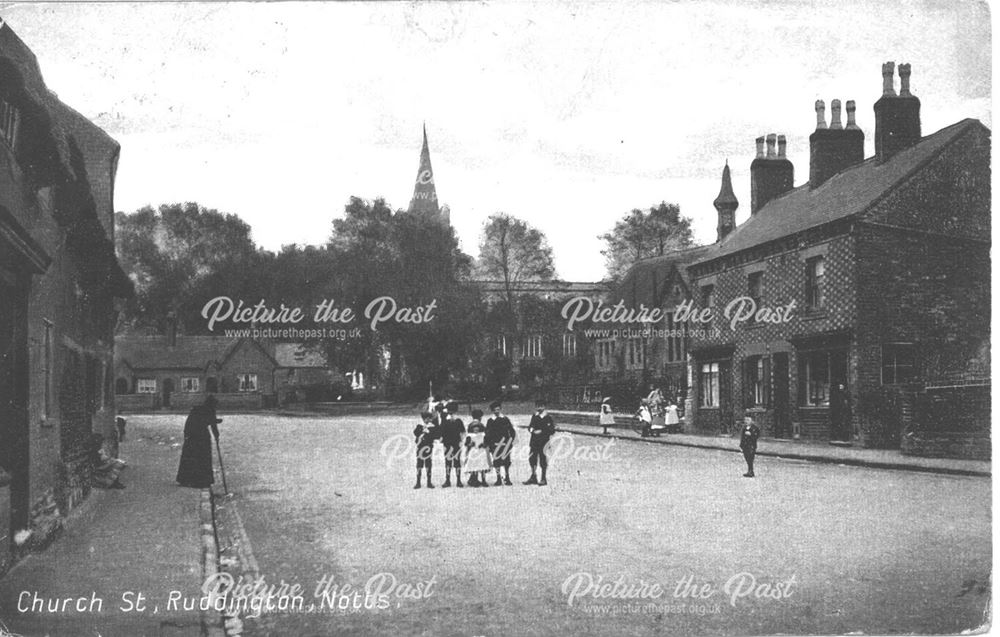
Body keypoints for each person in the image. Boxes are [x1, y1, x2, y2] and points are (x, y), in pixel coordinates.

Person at [176, 395, 222, 488]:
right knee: (203, 458)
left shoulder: (196, 409)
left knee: (190, 457)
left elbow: (189, 423)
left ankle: (186, 479)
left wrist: (186, 435)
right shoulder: (210, 410)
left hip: (192, 436)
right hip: (202, 436)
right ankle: (203, 480)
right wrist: (216, 436)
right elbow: (212, 424)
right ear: (212, 404)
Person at [524, 399, 555, 486]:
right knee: (532, 459)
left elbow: (552, 430)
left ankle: (543, 478)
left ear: (544, 407)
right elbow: (530, 426)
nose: (539, 408)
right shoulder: (535, 416)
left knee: (543, 460)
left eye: (541, 406)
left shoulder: (548, 417)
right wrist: (532, 430)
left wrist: (542, 431)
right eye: (538, 406)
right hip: (534, 441)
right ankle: (533, 476)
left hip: (544, 442)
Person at [485, 400, 516, 486]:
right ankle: (498, 478)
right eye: (495, 410)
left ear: (501, 409)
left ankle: (507, 477)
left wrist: (510, 441)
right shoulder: (490, 421)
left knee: (506, 461)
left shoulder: (505, 419)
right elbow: (488, 433)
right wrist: (489, 444)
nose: (497, 411)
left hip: (505, 444)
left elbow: (512, 431)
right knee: (496, 461)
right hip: (495, 444)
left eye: (498, 409)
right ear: (492, 411)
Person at [439, 401, 466, 488]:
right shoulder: (444, 420)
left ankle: (458, 480)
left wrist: (461, 441)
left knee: (457, 461)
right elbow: (441, 431)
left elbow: (462, 432)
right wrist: (442, 439)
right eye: (450, 410)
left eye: (453, 410)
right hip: (447, 443)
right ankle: (448, 480)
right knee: (448, 462)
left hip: (456, 443)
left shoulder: (458, 420)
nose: (451, 412)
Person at [464, 409, 492, 487]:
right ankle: (481, 480)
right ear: (480, 417)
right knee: (481, 464)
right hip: (480, 447)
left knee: (474, 463)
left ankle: (473, 479)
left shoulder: (470, 425)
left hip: (473, 448)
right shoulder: (481, 425)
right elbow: (486, 437)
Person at [413, 411, 438, 489]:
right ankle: (418, 482)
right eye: (425, 419)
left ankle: (429, 482)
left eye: (428, 419)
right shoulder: (420, 426)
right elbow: (415, 433)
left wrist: (428, 432)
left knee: (428, 463)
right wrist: (422, 431)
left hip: (428, 447)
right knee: (419, 464)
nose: (426, 420)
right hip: (420, 447)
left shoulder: (432, 427)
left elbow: (434, 436)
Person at [739, 413, 761, 477]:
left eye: (748, 420)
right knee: (746, 457)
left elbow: (757, 436)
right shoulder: (744, 428)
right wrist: (741, 445)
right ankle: (749, 470)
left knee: (750, 458)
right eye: (745, 420)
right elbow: (742, 437)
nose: (746, 421)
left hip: (751, 446)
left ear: (752, 421)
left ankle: (751, 471)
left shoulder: (755, 428)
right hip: (745, 446)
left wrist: (751, 434)